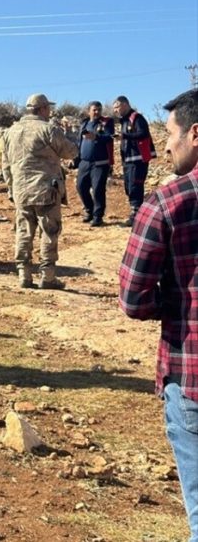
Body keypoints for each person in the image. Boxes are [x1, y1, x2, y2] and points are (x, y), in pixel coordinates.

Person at [118, 88, 198, 540]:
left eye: (170, 134)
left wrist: (172, 304)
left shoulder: (169, 202)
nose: (166, 145)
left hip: (192, 377)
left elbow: (133, 298)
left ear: (196, 134)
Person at [0, 93, 79, 290]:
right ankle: (48, 276)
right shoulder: (49, 129)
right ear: (42, 108)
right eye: (48, 108)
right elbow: (71, 152)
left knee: (24, 231)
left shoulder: (10, 132)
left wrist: (11, 188)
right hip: (46, 190)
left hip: (21, 190)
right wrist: (68, 134)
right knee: (49, 231)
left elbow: (5, 165)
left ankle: (24, 275)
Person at [115, 95, 157, 227]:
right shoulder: (124, 120)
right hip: (127, 160)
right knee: (128, 187)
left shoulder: (137, 118)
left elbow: (143, 133)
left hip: (138, 160)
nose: (115, 110)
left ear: (125, 105)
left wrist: (125, 136)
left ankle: (136, 216)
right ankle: (137, 212)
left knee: (135, 186)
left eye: (117, 107)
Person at [75, 101, 115, 227]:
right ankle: (89, 211)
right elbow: (79, 142)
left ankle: (98, 216)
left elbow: (110, 136)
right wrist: (75, 158)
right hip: (84, 162)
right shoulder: (84, 123)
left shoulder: (107, 122)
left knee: (98, 189)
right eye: (94, 110)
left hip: (100, 163)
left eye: (99, 109)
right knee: (81, 187)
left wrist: (96, 137)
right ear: (89, 111)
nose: (97, 112)